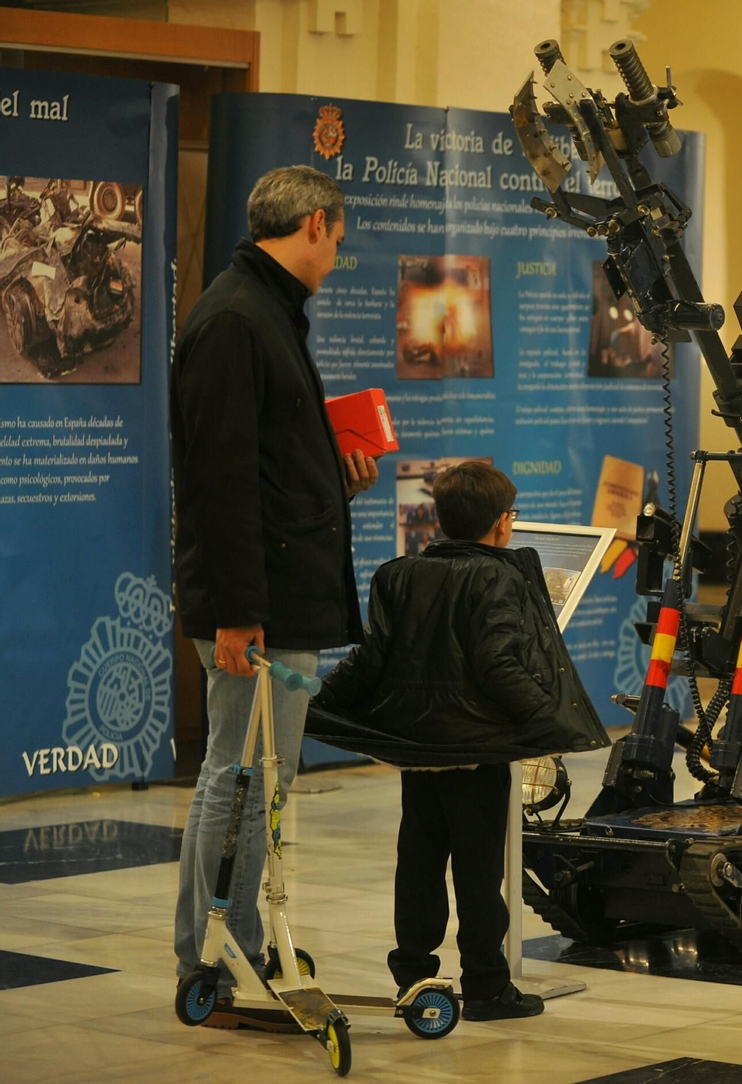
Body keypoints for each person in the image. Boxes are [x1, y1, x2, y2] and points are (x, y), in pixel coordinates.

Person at [171, 165, 378, 1030]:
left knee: (261, 776)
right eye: (339, 235)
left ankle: (238, 934)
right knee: (239, 772)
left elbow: (268, 462)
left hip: (271, 592)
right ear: (319, 224)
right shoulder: (235, 320)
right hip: (252, 605)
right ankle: (208, 954)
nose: (339, 252)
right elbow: (220, 483)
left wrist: (335, 479)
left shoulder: (265, 312)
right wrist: (237, 614)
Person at [308, 462, 607, 1021]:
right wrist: (551, 720)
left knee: (417, 865)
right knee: (479, 877)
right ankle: (488, 988)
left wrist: (318, 704)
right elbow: (498, 666)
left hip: (418, 754)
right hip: (476, 754)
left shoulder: (399, 575)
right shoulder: (498, 577)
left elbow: (371, 659)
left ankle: (415, 980)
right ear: (500, 525)